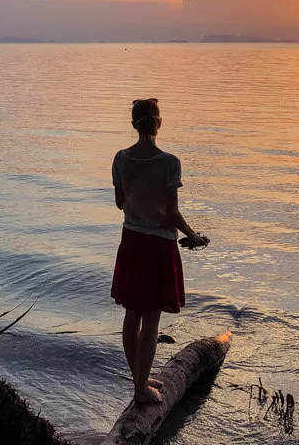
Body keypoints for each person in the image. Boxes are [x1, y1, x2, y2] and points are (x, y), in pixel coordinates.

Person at [110, 98, 207, 404]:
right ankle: (141, 389)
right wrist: (194, 235)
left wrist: (140, 204)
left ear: (133, 124)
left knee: (132, 314)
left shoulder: (120, 159)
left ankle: (139, 378)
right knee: (151, 318)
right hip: (158, 245)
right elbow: (172, 214)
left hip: (131, 240)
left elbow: (120, 203)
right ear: (159, 123)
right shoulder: (169, 162)